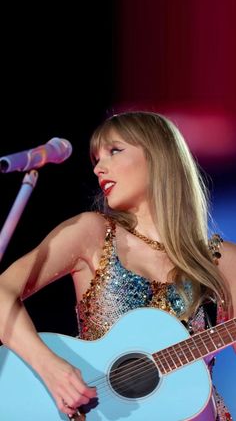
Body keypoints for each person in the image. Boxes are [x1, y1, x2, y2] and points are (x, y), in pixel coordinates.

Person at [0, 111, 235, 420]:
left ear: (158, 155)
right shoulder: (92, 233)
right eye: (96, 157)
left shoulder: (222, 261)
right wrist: (50, 367)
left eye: (114, 150)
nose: (99, 167)